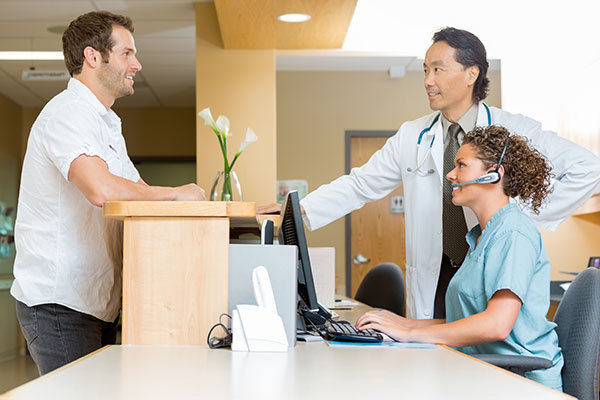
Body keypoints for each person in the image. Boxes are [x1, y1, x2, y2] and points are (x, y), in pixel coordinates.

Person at [259, 27, 600, 320]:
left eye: (438, 69)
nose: (427, 81)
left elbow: (589, 168)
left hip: (493, 272)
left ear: (472, 73)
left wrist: (518, 217)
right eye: (425, 70)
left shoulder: (512, 130)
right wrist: (298, 210)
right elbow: (361, 183)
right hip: (437, 278)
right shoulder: (413, 136)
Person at [11, 11, 206, 375]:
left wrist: (199, 201)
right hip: (60, 304)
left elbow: (139, 191)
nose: (137, 64)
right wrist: (177, 194)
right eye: (127, 53)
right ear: (93, 57)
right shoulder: (66, 114)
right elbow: (100, 188)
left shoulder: (106, 125)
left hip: (95, 302)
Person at [357, 125, 563, 391]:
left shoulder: (513, 232)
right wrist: (400, 323)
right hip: (487, 371)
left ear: (493, 175)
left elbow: (497, 325)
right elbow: (467, 320)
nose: (451, 175)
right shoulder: (480, 236)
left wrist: (410, 334)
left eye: (461, 165)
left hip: (521, 382)